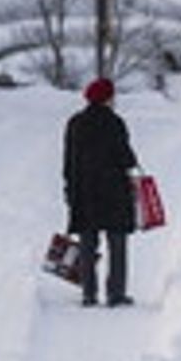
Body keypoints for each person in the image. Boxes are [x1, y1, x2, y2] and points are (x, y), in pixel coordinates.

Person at [63, 77, 138, 307]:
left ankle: (89, 293)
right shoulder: (115, 123)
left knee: (87, 243)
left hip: (84, 191)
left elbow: (68, 161)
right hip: (114, 191)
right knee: (117, 244)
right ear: (107, 98)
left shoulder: (75, 123)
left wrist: (69, 188)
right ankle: (116, 294)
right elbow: (126, 157)